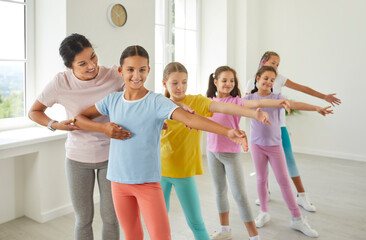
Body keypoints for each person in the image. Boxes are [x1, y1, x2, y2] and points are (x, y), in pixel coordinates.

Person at [74, 46, 250, 240]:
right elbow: (79, 118)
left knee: (161, 237)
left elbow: (190, 120)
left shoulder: (156, 101)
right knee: (132, 235)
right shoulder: (112, 100)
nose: (136, 75)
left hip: (148, 183)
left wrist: (228, 132)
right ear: (120, 71)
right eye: (130, 69)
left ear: (148, 70)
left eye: (142, 69)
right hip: (118, 181)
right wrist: (104, 128)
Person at [160, 62, 282, 240]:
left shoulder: (197, 102)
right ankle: (225, 229)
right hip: (160, 169)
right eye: (175, 83)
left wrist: (254, 114)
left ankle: (252, 235)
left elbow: (226, 107)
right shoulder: (158, 103)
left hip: (184, 172)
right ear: (165, 84)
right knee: (160, 220)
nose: (180, 87)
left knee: (197, 223)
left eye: (184, 82)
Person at [28, 33, 124, 240]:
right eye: (82, 63)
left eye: (93, 56)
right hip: (77, 159)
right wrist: (54, 125)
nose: (91, 65)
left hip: (111, 157)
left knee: (111, 218)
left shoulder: (113, 75)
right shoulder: (60, 82)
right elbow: (34, 111)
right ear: (70, 66)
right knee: (83, 219)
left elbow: (137, 98)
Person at [245, 51, 341, 211]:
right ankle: (265, 194)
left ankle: (301, 195)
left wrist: (323, 98)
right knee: (262, 168)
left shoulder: (279, 79)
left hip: (278, 127)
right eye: (273, 63)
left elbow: (302, 88)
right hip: (260, 129)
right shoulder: (251, 82)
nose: (275, 67)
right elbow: (247, 104)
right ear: (263, 61)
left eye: (277, 64)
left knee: (289, 160)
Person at [205, 65, 293, 240]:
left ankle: (254, 236)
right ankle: (225, 230)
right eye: (224, 80)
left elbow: (258, 102)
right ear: (215, 82)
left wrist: (279, 102)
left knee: (239, 195)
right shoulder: (207, 101)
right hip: (212, 152)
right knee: (219, 192)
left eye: (232, 81)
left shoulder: (237, 101)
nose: (228, 84)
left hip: (231, 154)